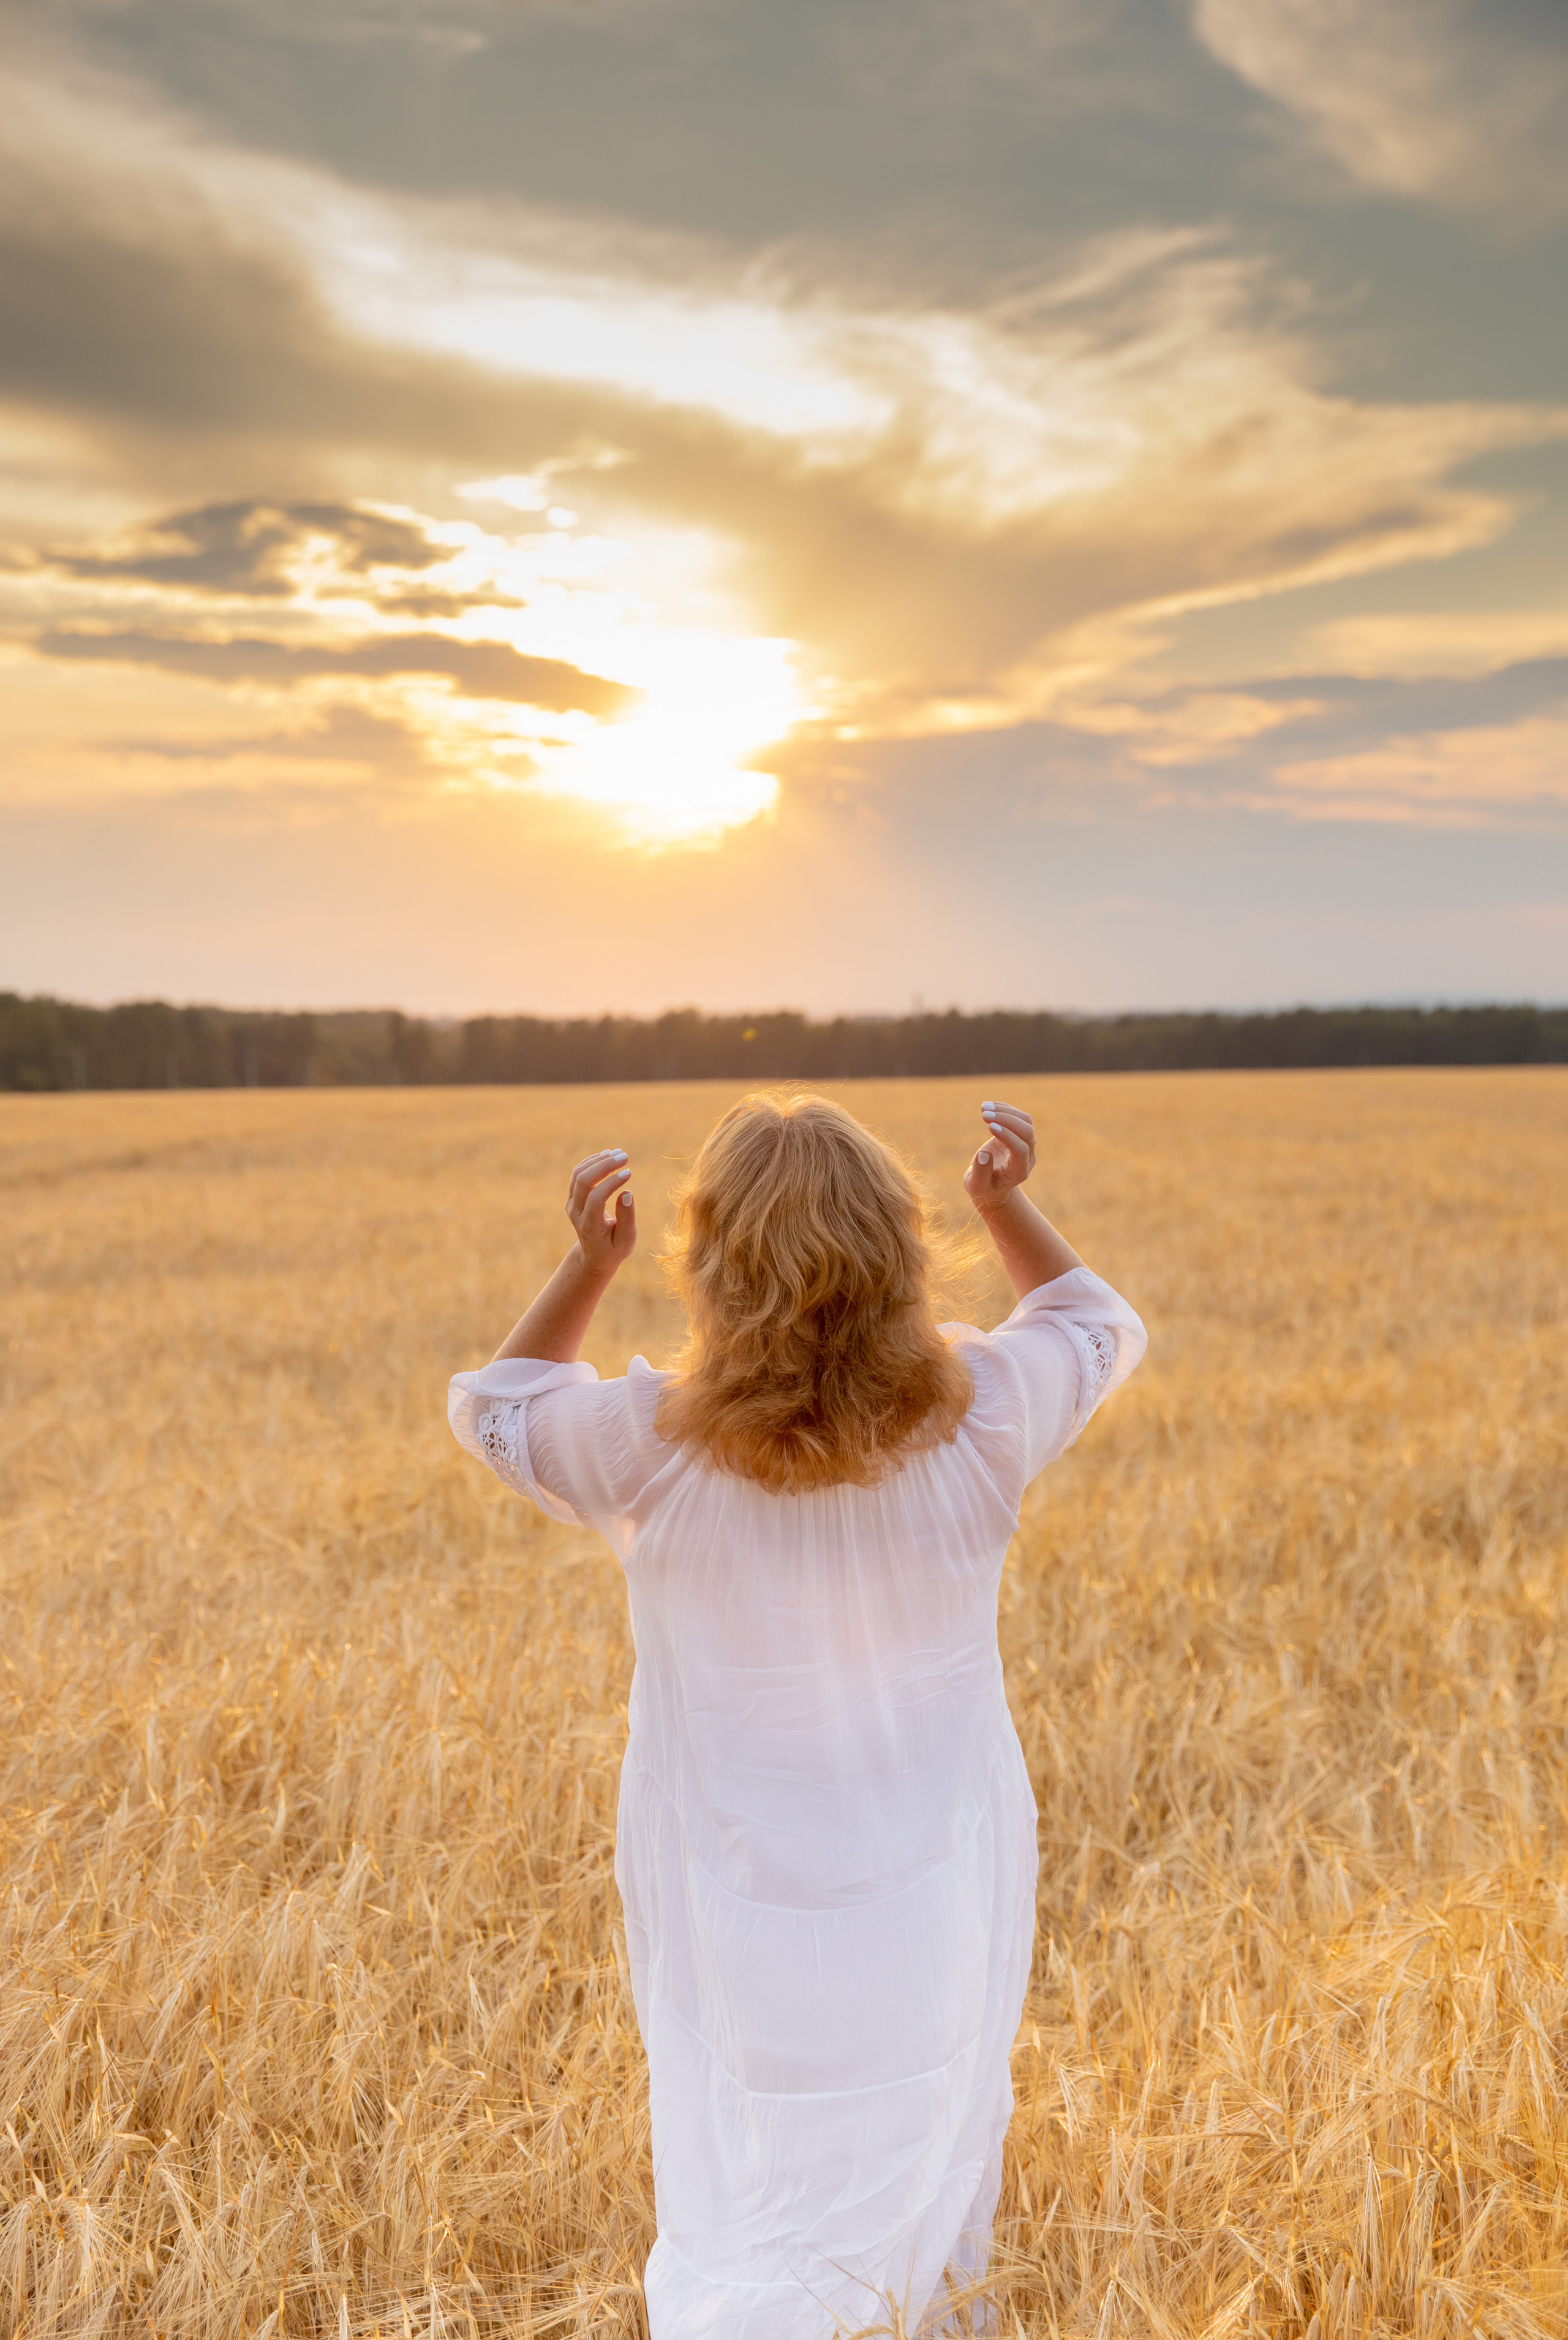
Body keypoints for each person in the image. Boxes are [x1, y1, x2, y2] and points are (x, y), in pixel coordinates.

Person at [448, 1093, 1146, 2338]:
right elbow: (1096, 1322)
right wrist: (1004, 1202)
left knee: (753, 2216)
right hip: (928, 1908)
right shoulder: (980, 1415)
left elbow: (495, 1406)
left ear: (711, 1265)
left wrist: (585, 1264)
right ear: (900, 1250)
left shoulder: (643, 1442)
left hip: (737, 1926)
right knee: (922, 2220)